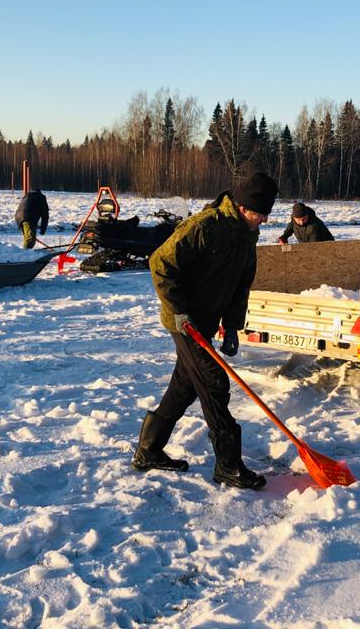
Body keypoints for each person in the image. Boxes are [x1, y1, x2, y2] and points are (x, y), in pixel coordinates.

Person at [132, 171, 278, 490]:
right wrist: (180, 310)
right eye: (260, 214)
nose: (264, 221)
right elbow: (160, 264)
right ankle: (228, 465)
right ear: (243, 208)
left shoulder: (246, 235)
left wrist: (232, 327)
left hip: (208, 323)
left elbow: (241, 285)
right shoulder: (205, 226)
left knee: (184, 386)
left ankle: (148, 450)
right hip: (184, 322)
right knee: (213, 382)